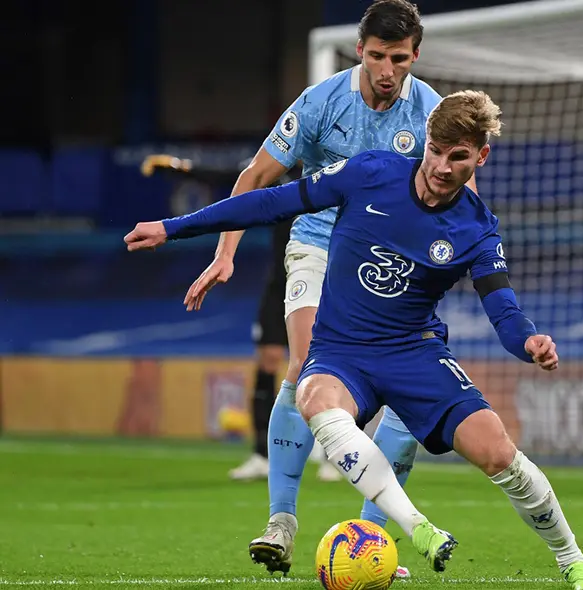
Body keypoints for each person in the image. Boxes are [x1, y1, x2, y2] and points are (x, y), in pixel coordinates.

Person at [125, 90, 583, 590]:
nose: (442, 166)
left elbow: (503, 310)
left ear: (480, 157)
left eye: (458, 156)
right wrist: (172, 228)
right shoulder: (370, 172)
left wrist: (529, 342)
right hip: (342, 351)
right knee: (313, 395)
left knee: (498, 454)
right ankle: (414, 527)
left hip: (414, 352)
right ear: (425, 139)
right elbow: (271, 201)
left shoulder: (478, 229)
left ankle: (575, 562)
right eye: (436, 149)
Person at [178, 0, 464, 577]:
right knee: (307, 365)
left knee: (405, 390)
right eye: (378, 57)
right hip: (318, 244)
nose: (388, 70)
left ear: (415, 56)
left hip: (390, 258)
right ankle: (280, 523)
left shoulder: (432, 113)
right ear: (360, 50)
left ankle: (371, 534)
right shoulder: (320, 102)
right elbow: (256, 178)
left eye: (400, 59)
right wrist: (225, 251)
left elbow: (457, 189)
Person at [140, 154, 344, 482]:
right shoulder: (278, 172)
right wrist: (183, 168)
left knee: (319, 365)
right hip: (280, 282)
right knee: (269, 359)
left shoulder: (334, 176)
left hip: (324, 282)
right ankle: (262, 454)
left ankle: (330, 453)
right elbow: (232, 176)